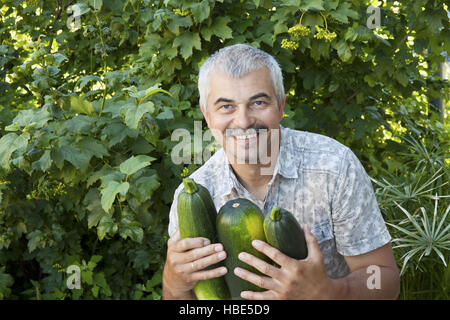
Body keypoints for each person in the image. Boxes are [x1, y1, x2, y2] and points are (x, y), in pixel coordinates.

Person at [162, 43, 400, 300]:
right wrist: (173, 287)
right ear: (207, 117)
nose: (243, 121)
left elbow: (383, 279)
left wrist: (329, 292)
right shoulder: (196, 192)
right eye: (226, 107)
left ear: (280, 106)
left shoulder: (334, 167)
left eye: (258, 102)